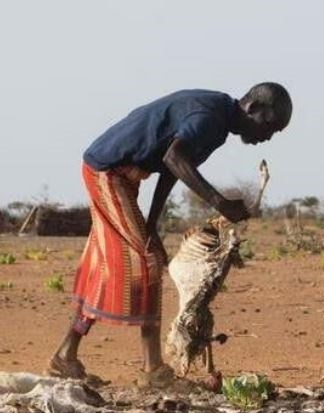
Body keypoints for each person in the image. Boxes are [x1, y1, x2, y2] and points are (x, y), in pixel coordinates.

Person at [47, 82, 292, 387]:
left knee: (114, 264)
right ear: (253, 108)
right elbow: (175, 158)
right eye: (268, 126)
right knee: (148, 263)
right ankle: (153, 371)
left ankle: (65, 355)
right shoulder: (210, 117)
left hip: (118, 176)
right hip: (108, 173)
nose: (266, 137)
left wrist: (152, 224)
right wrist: (220, 203)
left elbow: (172, 167)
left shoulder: (218, 122)